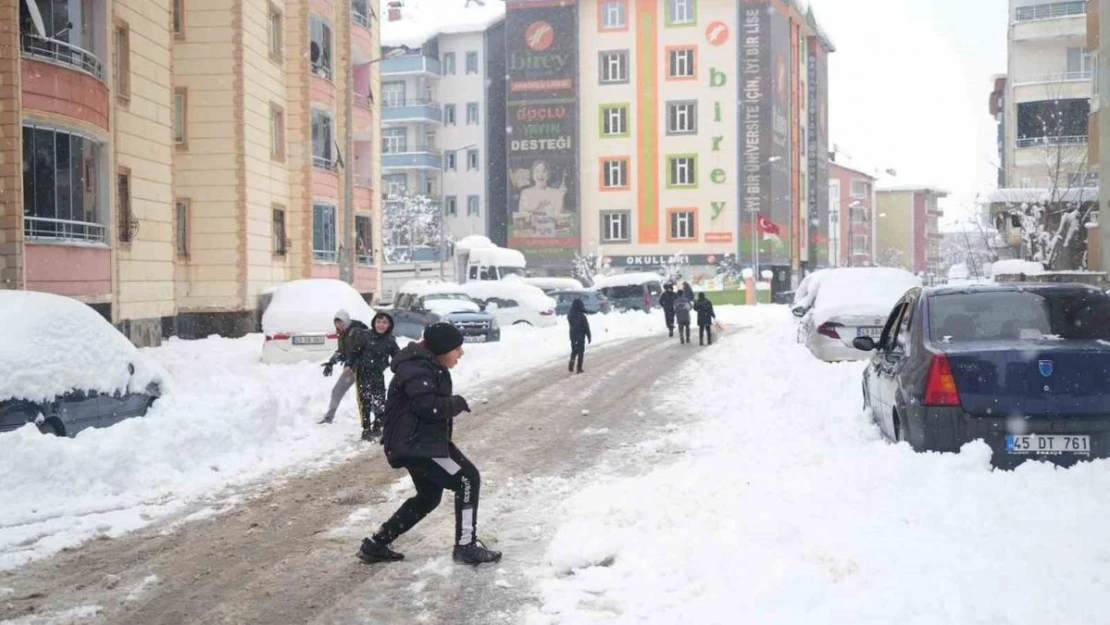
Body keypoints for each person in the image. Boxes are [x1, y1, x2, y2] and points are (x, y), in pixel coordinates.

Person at [358, 322, 501, 566]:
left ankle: (378, 543)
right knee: (467, 479)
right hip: (419, 446)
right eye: (457, 349)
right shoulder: (417, 368)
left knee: (428, 496)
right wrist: (456, 403)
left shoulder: (423, 364)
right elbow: (428, 406)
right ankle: (466, 546)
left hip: (419, 443)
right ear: (442, 349)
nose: (461, 354)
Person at [346, 311, 399, 441]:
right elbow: (354, 352)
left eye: (384, 322)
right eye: (378, 322)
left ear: (389, 325)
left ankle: (377, 426)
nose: (381, 325)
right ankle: (366, 429)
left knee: (380, 401)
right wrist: (349, 364)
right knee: (365, 401)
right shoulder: (365, 336)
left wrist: (402, 366)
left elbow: (397, 355)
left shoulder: (390, 340)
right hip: (363, 372)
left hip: (378, 374)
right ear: (374, 323)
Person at [319, 310, 367, 425]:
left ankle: (377, 422)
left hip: (363, 367)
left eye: (341, 322)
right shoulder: (342, 333)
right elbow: (342, 352)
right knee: (337, 390)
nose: (339, 325)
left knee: (365, 395)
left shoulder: (357, 331)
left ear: (346, 320)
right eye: (337, 323)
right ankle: (328, 417)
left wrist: (349, 363)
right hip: (350, 368)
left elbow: (357, 351)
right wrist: (331, 363)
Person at [567, 298, 592, 374]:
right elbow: (586, 327)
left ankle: (572, 362)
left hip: (573, 336)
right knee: (581, 353)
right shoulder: (582, 316)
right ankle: (579, 368)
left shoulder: (570, 315)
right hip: (580, 336)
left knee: (574, 351)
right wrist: (589, 336)